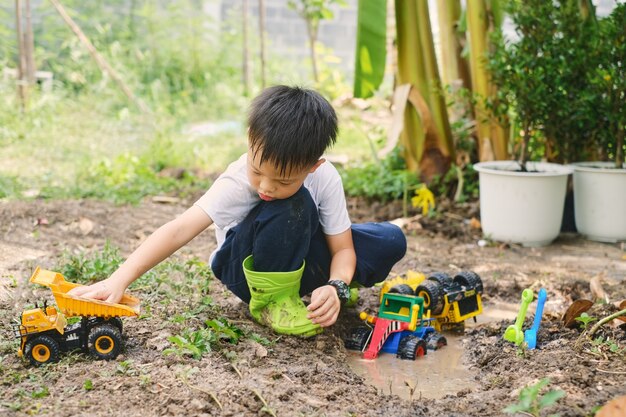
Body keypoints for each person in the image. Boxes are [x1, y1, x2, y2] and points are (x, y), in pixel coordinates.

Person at [69, 85, 407, 337]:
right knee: (294, 203)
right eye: (257, 170)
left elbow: (343, 248)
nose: (265, 187)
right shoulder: (235, 182)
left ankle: (318, 298)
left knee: (390, 239)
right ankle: (271, 302)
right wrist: (118, 279)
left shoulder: (326, 178)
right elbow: (179, 228)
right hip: (243, 266)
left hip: (296, 255)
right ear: (249, 140)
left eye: (283, 179)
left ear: (314, 166)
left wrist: (337, 286)